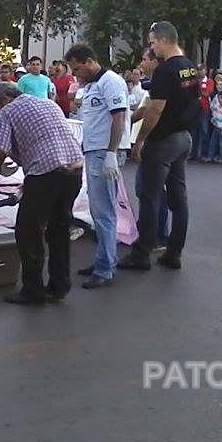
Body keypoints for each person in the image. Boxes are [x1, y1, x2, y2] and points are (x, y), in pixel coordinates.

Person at [0, 83, 84, 305]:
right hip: (74, 169)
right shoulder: (48, 104)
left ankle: (33, 289)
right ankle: (59, 285)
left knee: (28, 231)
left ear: (3, 101)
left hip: (45, 174)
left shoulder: (8, 112)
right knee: (59, 229)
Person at [119, 21, 198, 272]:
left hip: (163, 139)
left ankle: (142, 253)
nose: (152, 47)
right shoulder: (189, 67)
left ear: (163, 40)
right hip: (183, 136)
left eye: (153, 42)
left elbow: (155, 109)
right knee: (179, 198)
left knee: (150, 197)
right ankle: (174, 252)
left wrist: (140, 139)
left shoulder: (166, 70)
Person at [64, 43, 129, 289]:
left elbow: (119, 117)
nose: (75, 74)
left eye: (77, 68)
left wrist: (112, 153)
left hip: (103, 152)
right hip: (94, 151)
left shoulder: (109, 81)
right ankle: (104, 259)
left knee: (104, 212)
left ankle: (105, 268)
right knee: (98, 211)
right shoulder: (91, 85)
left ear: (89, 61)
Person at [130, 47, 169, 246]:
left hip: (156, 142)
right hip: (166, 141)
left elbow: (150, 110)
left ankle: (154, 235)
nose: (142, 63)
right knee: (150, 189)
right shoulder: (157, 82)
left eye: (144, 59)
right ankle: (153, 231)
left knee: (150, 190)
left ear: (154, 61)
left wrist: (140, 140)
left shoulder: (159, 83)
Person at [206, 91, 222, 163]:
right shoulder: (216, 106)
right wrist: (213, 120)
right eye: (219, 98)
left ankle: (221, 158)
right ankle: (210, 157)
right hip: (216, 127)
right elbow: (213, 112)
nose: (220, 100)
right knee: (213, 143)